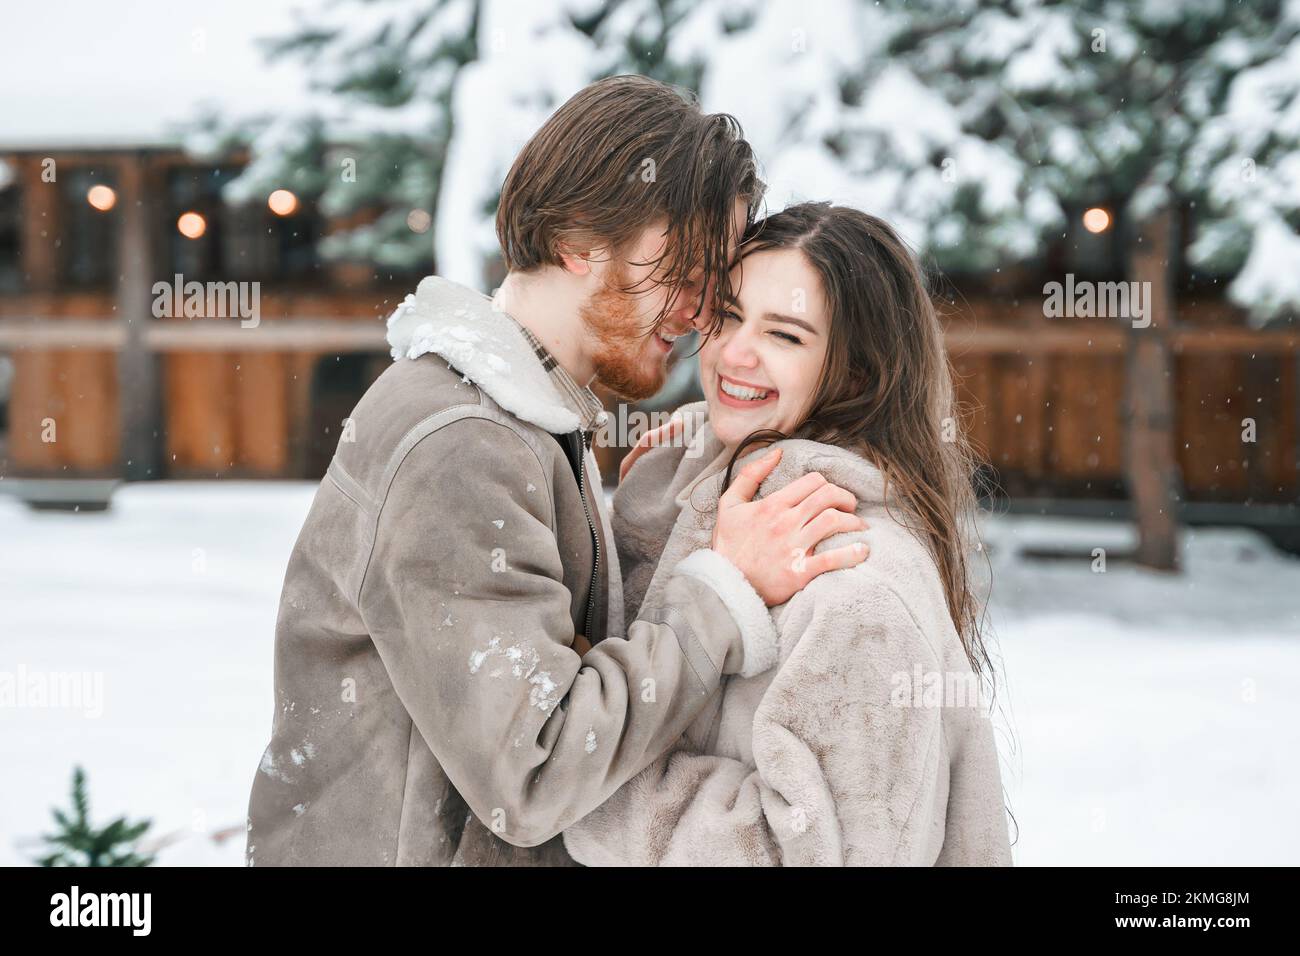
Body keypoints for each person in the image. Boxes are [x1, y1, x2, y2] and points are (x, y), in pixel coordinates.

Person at [245, 78, 868, 866]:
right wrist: (719, 597)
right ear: (579, 241)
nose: (704, 307)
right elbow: (531, 769)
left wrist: (716, 440)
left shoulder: (517, 419)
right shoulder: (462, 446)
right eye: (688, 266)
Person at [563, 202, 1014, 866]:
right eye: (730, 315)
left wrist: (585, 770)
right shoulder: (695, 504)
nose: (733, 353)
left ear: (854, 377)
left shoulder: (856, 593)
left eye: (786, 335)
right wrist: (706, 446)